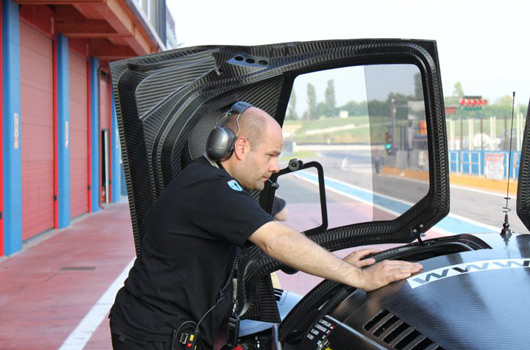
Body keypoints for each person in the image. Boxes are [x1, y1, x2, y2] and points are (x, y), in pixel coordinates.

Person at [109, 103, 422, 350]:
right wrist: (357, 277)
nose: (275, 167)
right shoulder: (211, 189)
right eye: (271, 155)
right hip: (155, 334)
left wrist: (337, 265)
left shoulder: (207, 179)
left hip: (168, 328)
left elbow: (271, 246)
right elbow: (275, 240)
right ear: (241, 148)